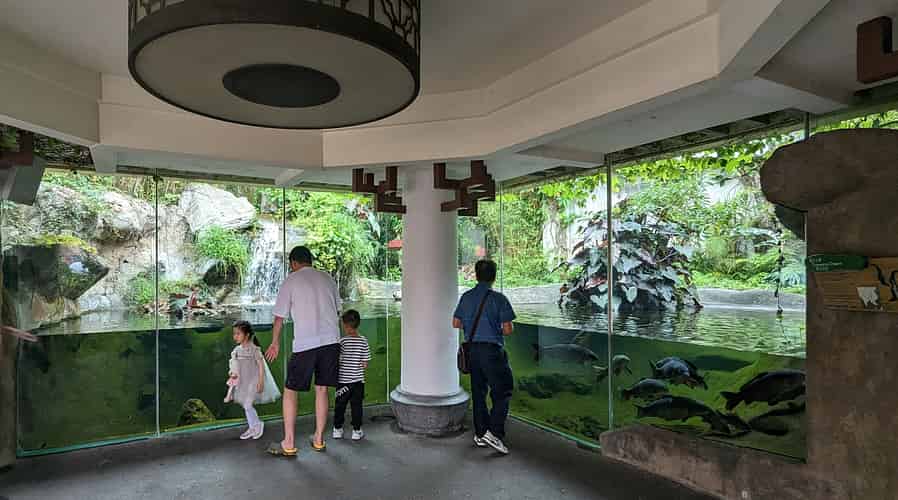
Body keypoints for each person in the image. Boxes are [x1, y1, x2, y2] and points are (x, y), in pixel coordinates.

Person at [265, 246, 341, 457]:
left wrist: (275, 343)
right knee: (322, 389)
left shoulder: (291, 280)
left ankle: (288, 443)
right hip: (331, 341)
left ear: (293, 263)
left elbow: (279, 317)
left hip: (306, 343)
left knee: (291, 390)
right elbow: (337, 310)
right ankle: (318, 439)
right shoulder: (327, 278)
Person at [453, 259, 516, 455]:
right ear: (494, 276)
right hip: (492, 351)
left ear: (477, 275)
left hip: (472, 350)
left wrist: (472, 326)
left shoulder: (466, 297)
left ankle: (481, 433)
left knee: (478, 392)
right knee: (503, 390)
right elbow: (507, 329)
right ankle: (494, 433)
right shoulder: (499, 299)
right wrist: (492, 328)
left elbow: (456, 323)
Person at [225, 320, 280, 440]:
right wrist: (232, 373)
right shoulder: (237, 350)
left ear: (247, 335)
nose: (235, 336)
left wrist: (261, 381)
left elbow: (261, 366)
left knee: (247, 405)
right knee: (246, 405)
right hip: (244, 381)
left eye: (238, 333)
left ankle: (257, 425)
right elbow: (234, 365)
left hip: (254, 380)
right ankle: (253, 426)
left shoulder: (255, 349)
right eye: (234, 334)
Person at [332, 309, 371, 441]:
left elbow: (338, 361)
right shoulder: (363, 341)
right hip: (358, 382)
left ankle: (337, 429)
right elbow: (365, 364)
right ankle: (356, 431)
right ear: (358, 324)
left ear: (344, 325)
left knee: (340, 406)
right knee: (357, 406)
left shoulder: (342, 342)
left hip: (343, 382)